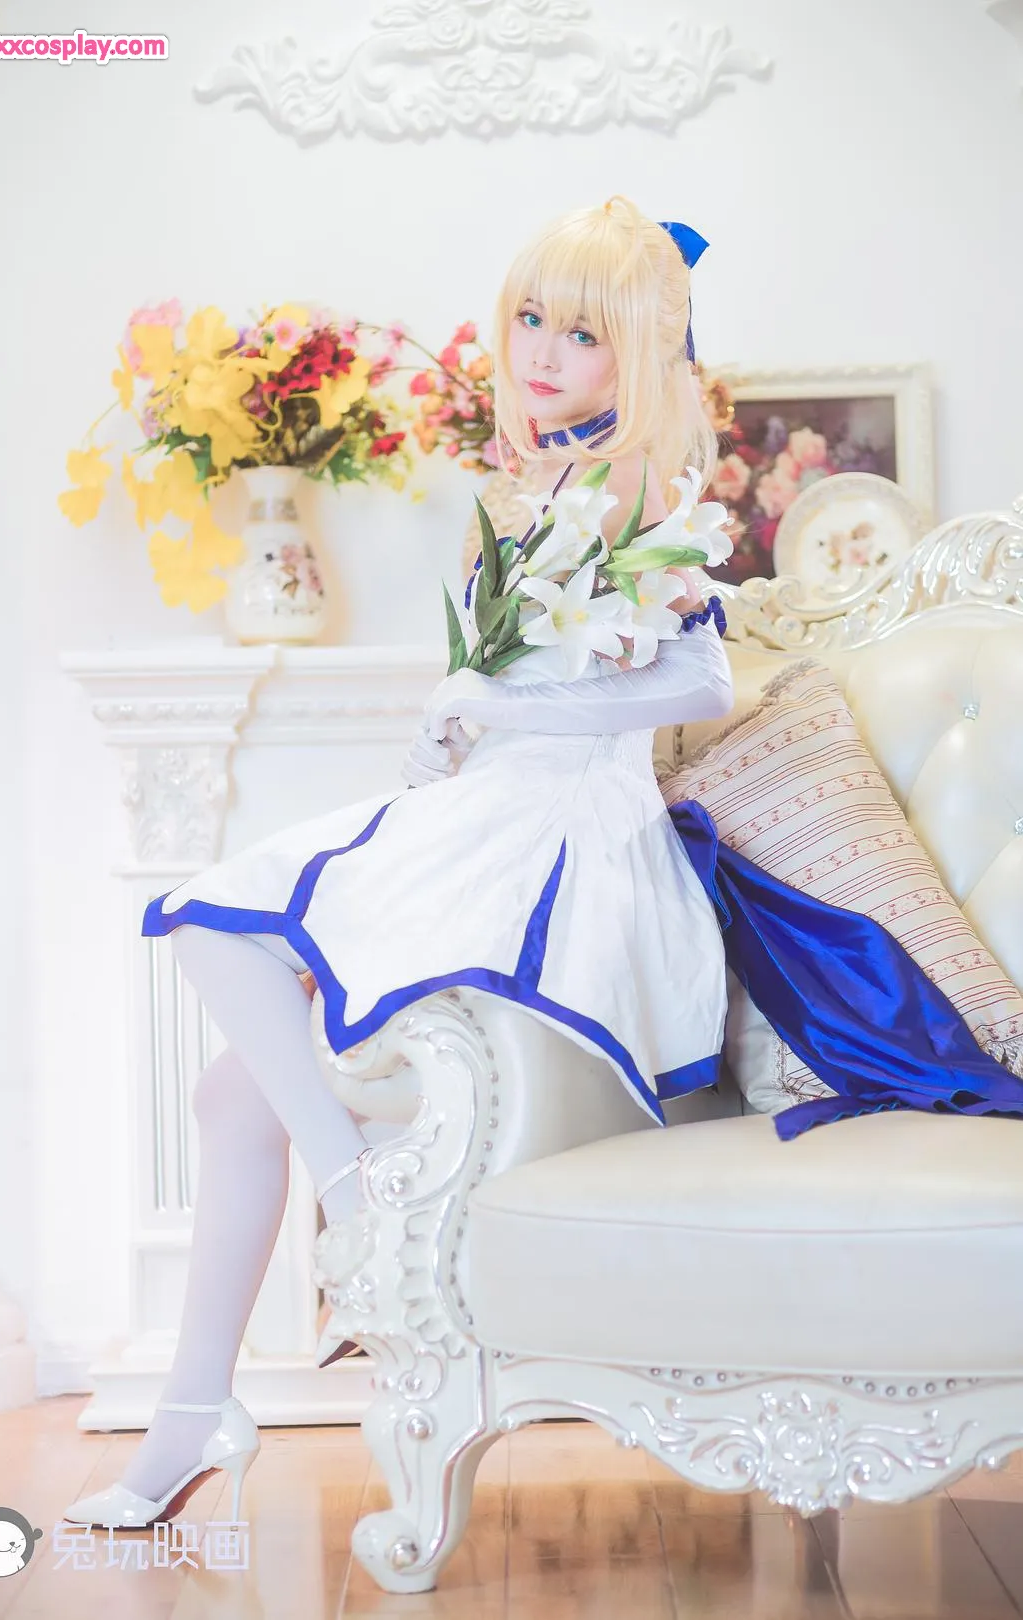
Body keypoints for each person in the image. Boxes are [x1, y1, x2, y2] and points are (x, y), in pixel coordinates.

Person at [63, 195, 1023, 1534]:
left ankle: (348, 1197)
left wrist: (501, 704)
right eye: (529, 319)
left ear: (635, 352)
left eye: (581, 332)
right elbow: (506, 685)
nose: (543, 351)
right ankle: (192, 1411)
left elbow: (696, 682)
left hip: (575, 841)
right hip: (492, 812)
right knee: (232, 1090)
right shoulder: (516, 500)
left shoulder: (636, 489)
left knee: (218, 926)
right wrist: (454, 727)